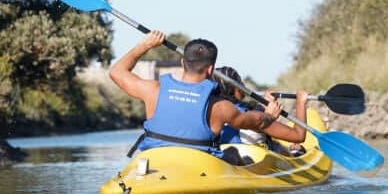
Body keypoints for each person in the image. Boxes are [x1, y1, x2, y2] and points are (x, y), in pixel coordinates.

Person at [108, 32, 307, 162]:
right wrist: (270, 115)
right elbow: (257, 121)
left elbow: (116, 72)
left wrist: (145, 45)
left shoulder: (153, 90)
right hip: (198, 166)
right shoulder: (220, 108)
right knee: (233, 155)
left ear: (182, 62)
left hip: (153, 161)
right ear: (211, 68)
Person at [215, 65, 308, 156]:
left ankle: (290, 151)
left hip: (229, 159)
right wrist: (300, 102)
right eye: (239, 81)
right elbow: (299, 136)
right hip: (258, 164)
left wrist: (264, 104)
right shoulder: (253, 119)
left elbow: (251, 114)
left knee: (276, 144)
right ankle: (295, 153)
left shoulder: (211, 112)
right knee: (294, 148)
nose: (243, 85)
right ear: (232, 88)